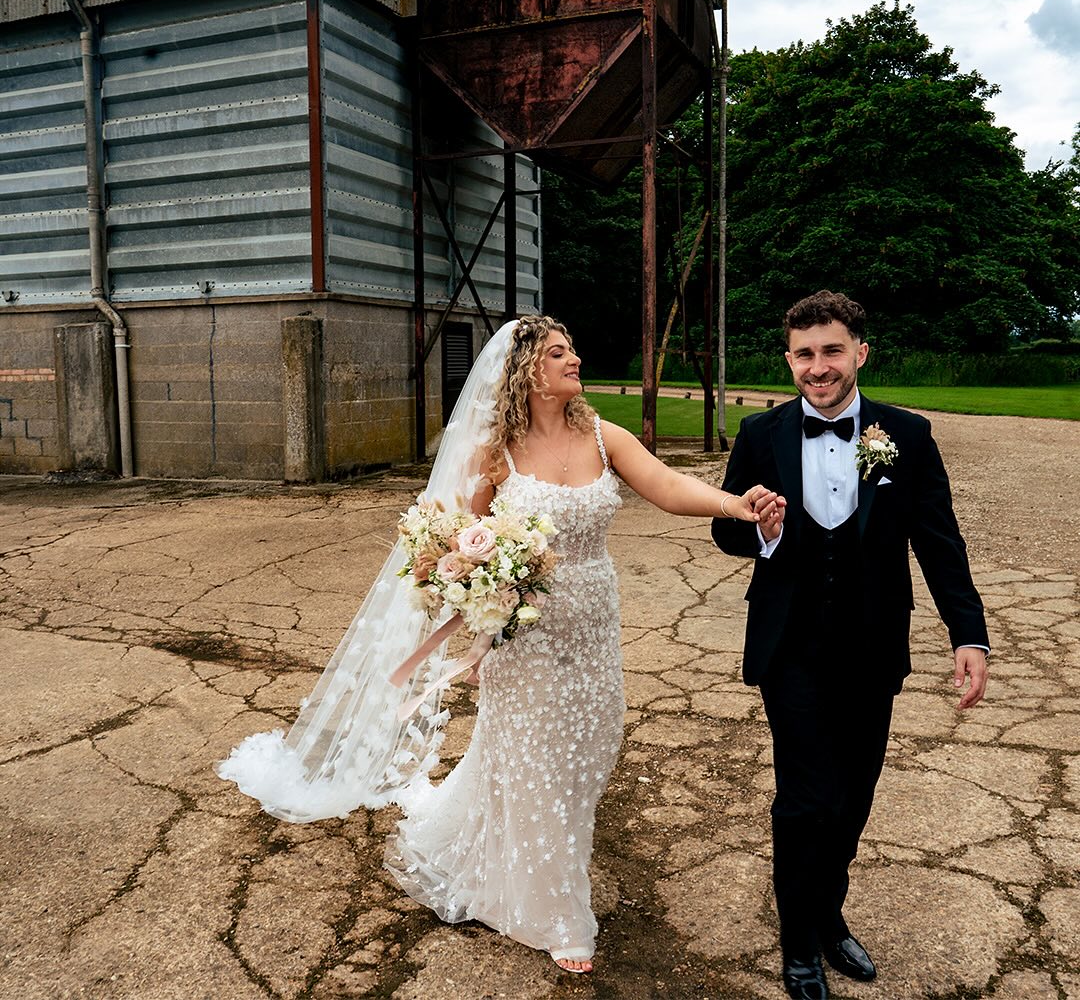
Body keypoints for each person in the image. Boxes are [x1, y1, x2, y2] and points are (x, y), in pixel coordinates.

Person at [218, 314, 781, 975]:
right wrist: (478, 618)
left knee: (590, 751)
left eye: (573, 349)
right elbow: (454, 547)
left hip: (595, 626)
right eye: (559, 353)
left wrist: (735, 504)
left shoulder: (604, 435)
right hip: (529, 636)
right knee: (537, 763)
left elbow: (665, 485)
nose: (575, 360)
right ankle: (560, 914)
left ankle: (511, 853)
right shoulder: (496, 454)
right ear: (526, 372)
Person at [711, 290, 989, 1000]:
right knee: (806, 798)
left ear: (860, 352)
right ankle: (800, 945)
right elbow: (726, 528)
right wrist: (762, 529)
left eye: (831, 350)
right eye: (804, 354)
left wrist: (969, 634)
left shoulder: (907, 435)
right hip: (788, 646)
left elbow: (939, 542)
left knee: (853, 797)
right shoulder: (760, 434)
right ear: (789, 359)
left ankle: (827, 913)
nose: (818, 367)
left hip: (871, 645)